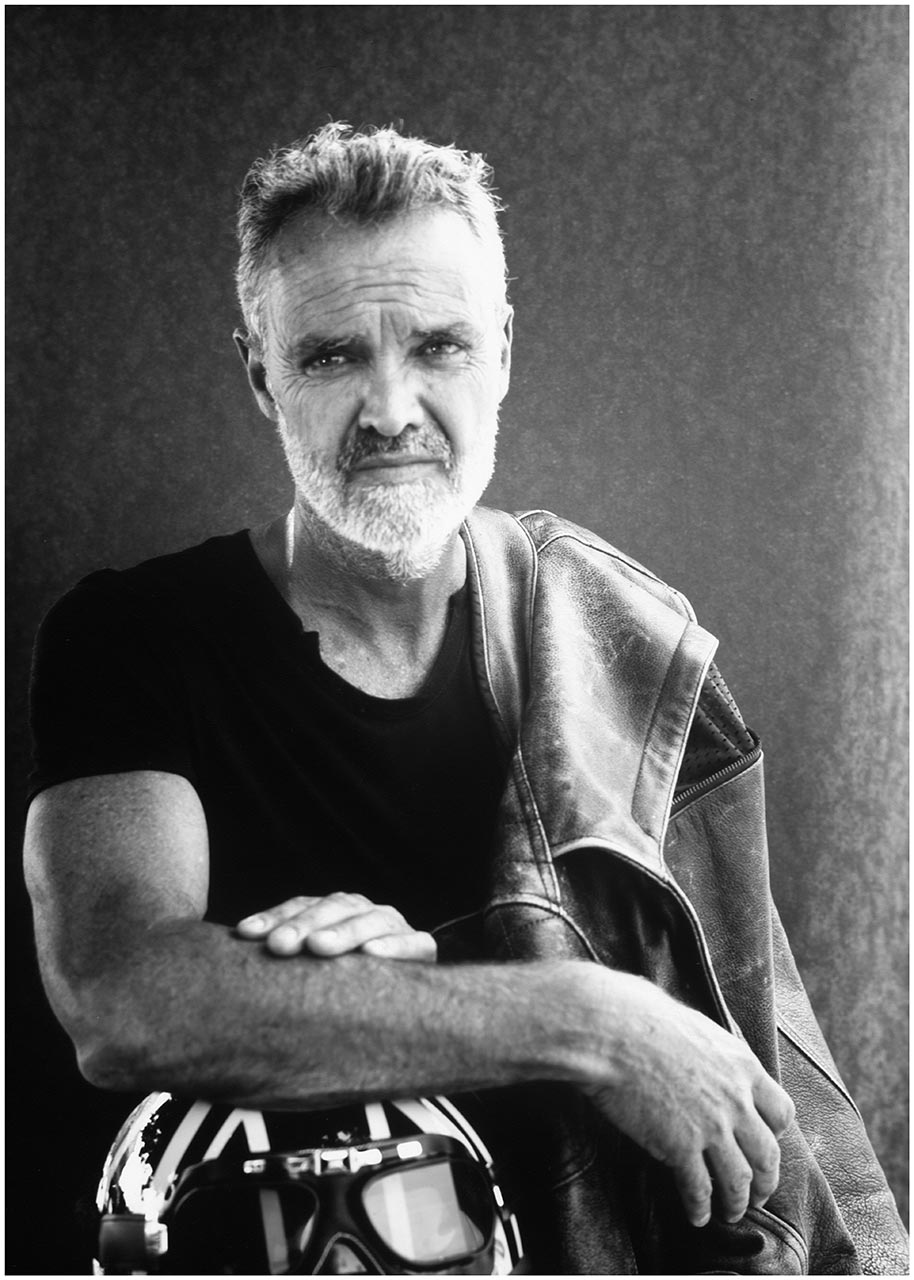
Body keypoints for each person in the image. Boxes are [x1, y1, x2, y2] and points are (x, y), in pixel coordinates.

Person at [24, 123, 907, 1274]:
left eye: (438, 345)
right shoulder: (134, 634)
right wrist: (590, 1020)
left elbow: (755, 1076)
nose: (390, 408)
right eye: (331, 357)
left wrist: (397, 990)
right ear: (260, 375)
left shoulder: (620, 638)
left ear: (500, 353)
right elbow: (124, 999)